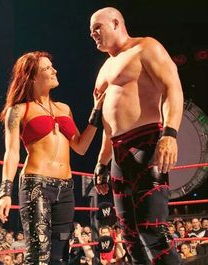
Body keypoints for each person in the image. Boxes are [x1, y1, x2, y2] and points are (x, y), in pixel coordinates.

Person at [89, 7, 183, 265]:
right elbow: (109, 123)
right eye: (90, 31)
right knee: (130, 237)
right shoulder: (104, 70)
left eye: (98, 27)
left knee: (153, 231)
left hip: (147, 143)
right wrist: (101, 162)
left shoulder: (145, 48)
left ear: (116, 22)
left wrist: (170, 134)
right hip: (118, 154)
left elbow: (172, 87)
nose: (93, 34)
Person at [0, 51, 104, 265]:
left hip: (65, 188)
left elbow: (80, 147)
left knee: (59, 254)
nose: (54, 70)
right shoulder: (18, 110)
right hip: (36, 185)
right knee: (38, 255)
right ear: (32, 77)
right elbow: (12, 152)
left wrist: (96, 111)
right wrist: (5, 192)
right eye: (47, 68)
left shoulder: (64, 108)